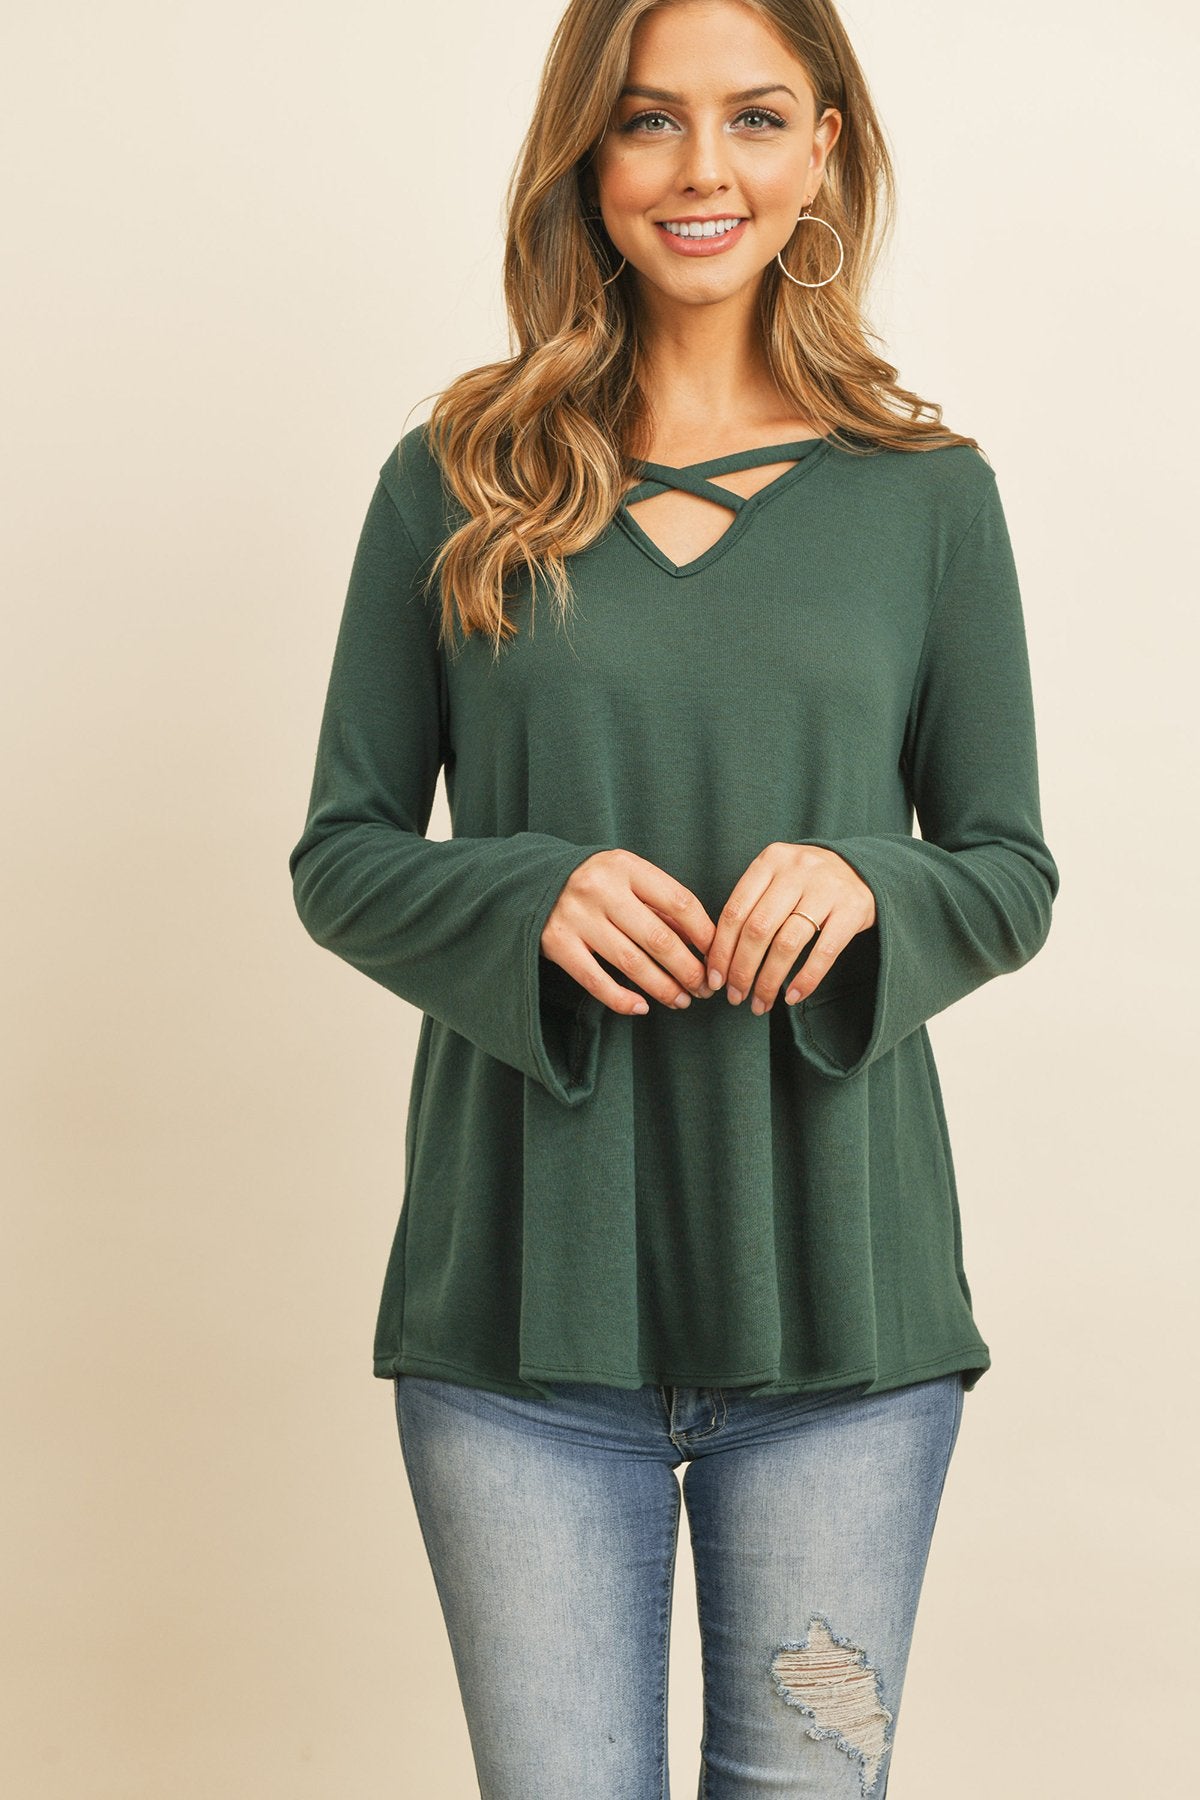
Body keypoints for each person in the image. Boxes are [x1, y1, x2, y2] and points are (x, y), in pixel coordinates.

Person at [288, 0, 1060, 1793]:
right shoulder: (453, 478)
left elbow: (1010, 871)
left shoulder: (929, 501)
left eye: (755, 117)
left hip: (846, 1318)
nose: (702, 168)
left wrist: (869, 882)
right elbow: (342, 853)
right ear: (587, 151)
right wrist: (525, 896)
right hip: (519, 1317)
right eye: (648, 120)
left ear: (825, 147)